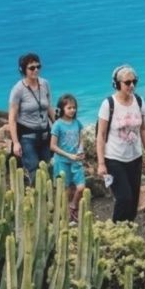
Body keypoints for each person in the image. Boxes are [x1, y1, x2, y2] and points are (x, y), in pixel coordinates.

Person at [96, 64, 145, 222]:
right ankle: (115, 228)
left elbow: (143, 129)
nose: (132, 85)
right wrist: (101, 163)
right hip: (114, 159)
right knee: (124, 198)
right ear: (117, 84)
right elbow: (101, 135)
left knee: (133, 200)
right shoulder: (108, 104)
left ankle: (128, 228)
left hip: (135, 158)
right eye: (127, 82)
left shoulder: (139, 101)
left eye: (134, 82)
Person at [8, 52, 55, 184]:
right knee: (34, 170)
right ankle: (35, 193)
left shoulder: (45, 84)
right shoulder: (18, 89)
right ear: (23, 70)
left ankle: (49, 195)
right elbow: (12, 118)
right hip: (27, 137)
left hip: (45, 134)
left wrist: (58, 126)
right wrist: (16, 142)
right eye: (31, 68)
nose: (36, 70)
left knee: (48, 167)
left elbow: (49, 107)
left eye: (38, 67)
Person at [51, 93, 86, 224]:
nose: (72, 110)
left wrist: (81, 150)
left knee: (80, 187)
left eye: (74, 107)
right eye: (69, 108)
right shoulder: (57, 125)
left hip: (76, 162)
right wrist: (68, 155)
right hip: (62, 162)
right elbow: (52, 146)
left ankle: (73, 206)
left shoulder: (77, 123)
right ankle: (66, 217)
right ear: (62, 109)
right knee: (65, 191)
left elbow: (81, 139)